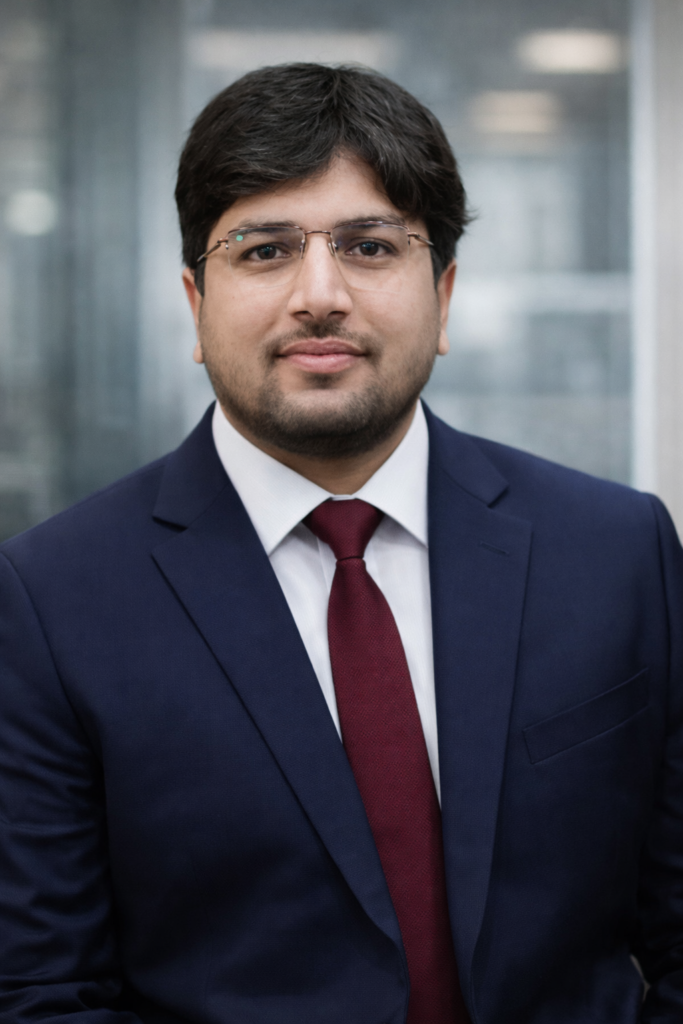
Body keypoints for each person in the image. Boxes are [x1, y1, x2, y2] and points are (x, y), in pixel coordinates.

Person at [0, 62, 682, 1024]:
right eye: (264, 250)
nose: (318, 295)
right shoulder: (50, 599)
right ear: (195, 305)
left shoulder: (616, 551)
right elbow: (42, 992)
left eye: (368, 246)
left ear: (443, 296)